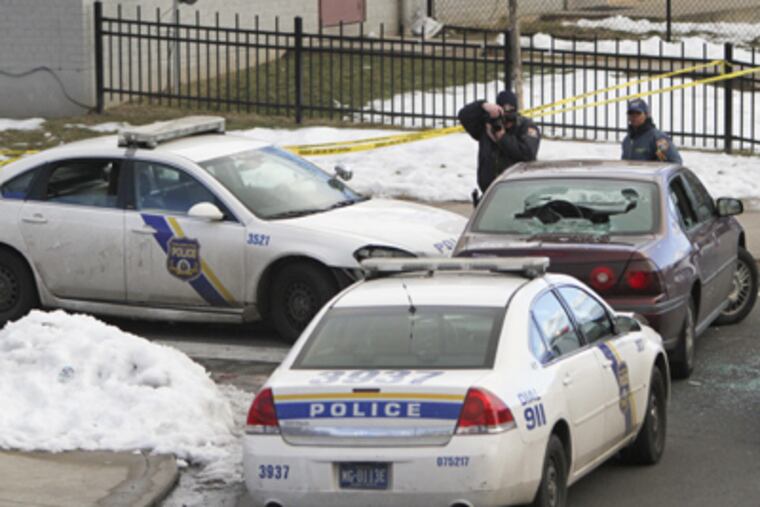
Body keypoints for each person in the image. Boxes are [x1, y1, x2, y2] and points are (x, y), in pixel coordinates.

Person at [458, 90, 541, 193]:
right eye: (503, 119)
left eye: (510, 119)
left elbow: (527, 154)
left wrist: (503, 137)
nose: (506, 124)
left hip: (518, 190)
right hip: (490, 191)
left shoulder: (526, 127)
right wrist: (483, 105)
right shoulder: (487, 126)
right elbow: (464, 115)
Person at [622, 98, 682, 164]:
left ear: (646, 115)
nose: (634, 116)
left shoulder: (658, 138)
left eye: (638, 113)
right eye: (631, 113)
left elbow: (674, 162)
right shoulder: (627, 140)